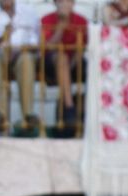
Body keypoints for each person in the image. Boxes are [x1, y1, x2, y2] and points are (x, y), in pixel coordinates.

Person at [0, 0, 40, 134]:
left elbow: (36, 44)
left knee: (27, 60)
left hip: (21, 55)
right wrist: (4, 37)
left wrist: (20, 50)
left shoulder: (29, 12)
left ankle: (28, 115)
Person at [40, 0, 88, 133]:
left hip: (74, 63)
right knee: (61, 57)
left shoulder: (81, 20)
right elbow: (48, 47)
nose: (64, 4)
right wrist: (61, 27)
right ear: (55, 3)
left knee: (94, 67)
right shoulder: (47, 19)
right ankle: (69, 107)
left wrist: (71, 65)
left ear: (73, 4)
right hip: (51, 63)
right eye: (60, 1)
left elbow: (82, 48)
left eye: (67, 1)